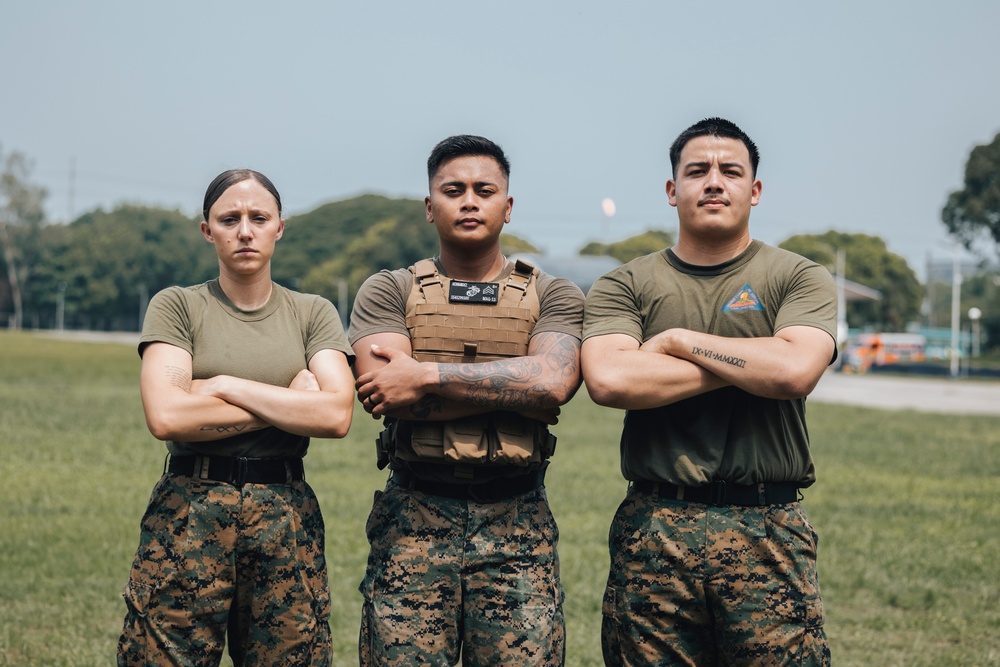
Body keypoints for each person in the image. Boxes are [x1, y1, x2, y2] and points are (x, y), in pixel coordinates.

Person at [582, 118, 837, 666]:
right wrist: (753, 361)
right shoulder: (626, 284)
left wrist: (676, 342)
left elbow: (794, 372)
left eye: (731, 171)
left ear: (755, 190)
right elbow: (610, 380)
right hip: (656, 528)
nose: (714, 182)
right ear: (673, 190)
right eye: (697, 171)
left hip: (768, 527)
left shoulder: (798, 276)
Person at [349, 134, 584, 667]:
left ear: (508, 205)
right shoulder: (388, 290)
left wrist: (427, 374)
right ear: (431, 207)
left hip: (517, 519)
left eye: (485, 189)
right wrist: (512, 389)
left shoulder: (554, 293)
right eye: (454, 190)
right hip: (414, 517)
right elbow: (388, 393)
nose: (470, 200)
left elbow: (552, 382)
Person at [117, 169, 356, 666]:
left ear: (279, 227)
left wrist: (222, 385)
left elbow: (335, 413)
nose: (244, 230)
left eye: (258, 217)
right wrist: (287, 403)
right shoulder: (179, 306)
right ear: (208, 230)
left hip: (285, 515)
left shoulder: (312, 313)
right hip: (189, 512)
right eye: (230, 219)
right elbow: (166, 415)